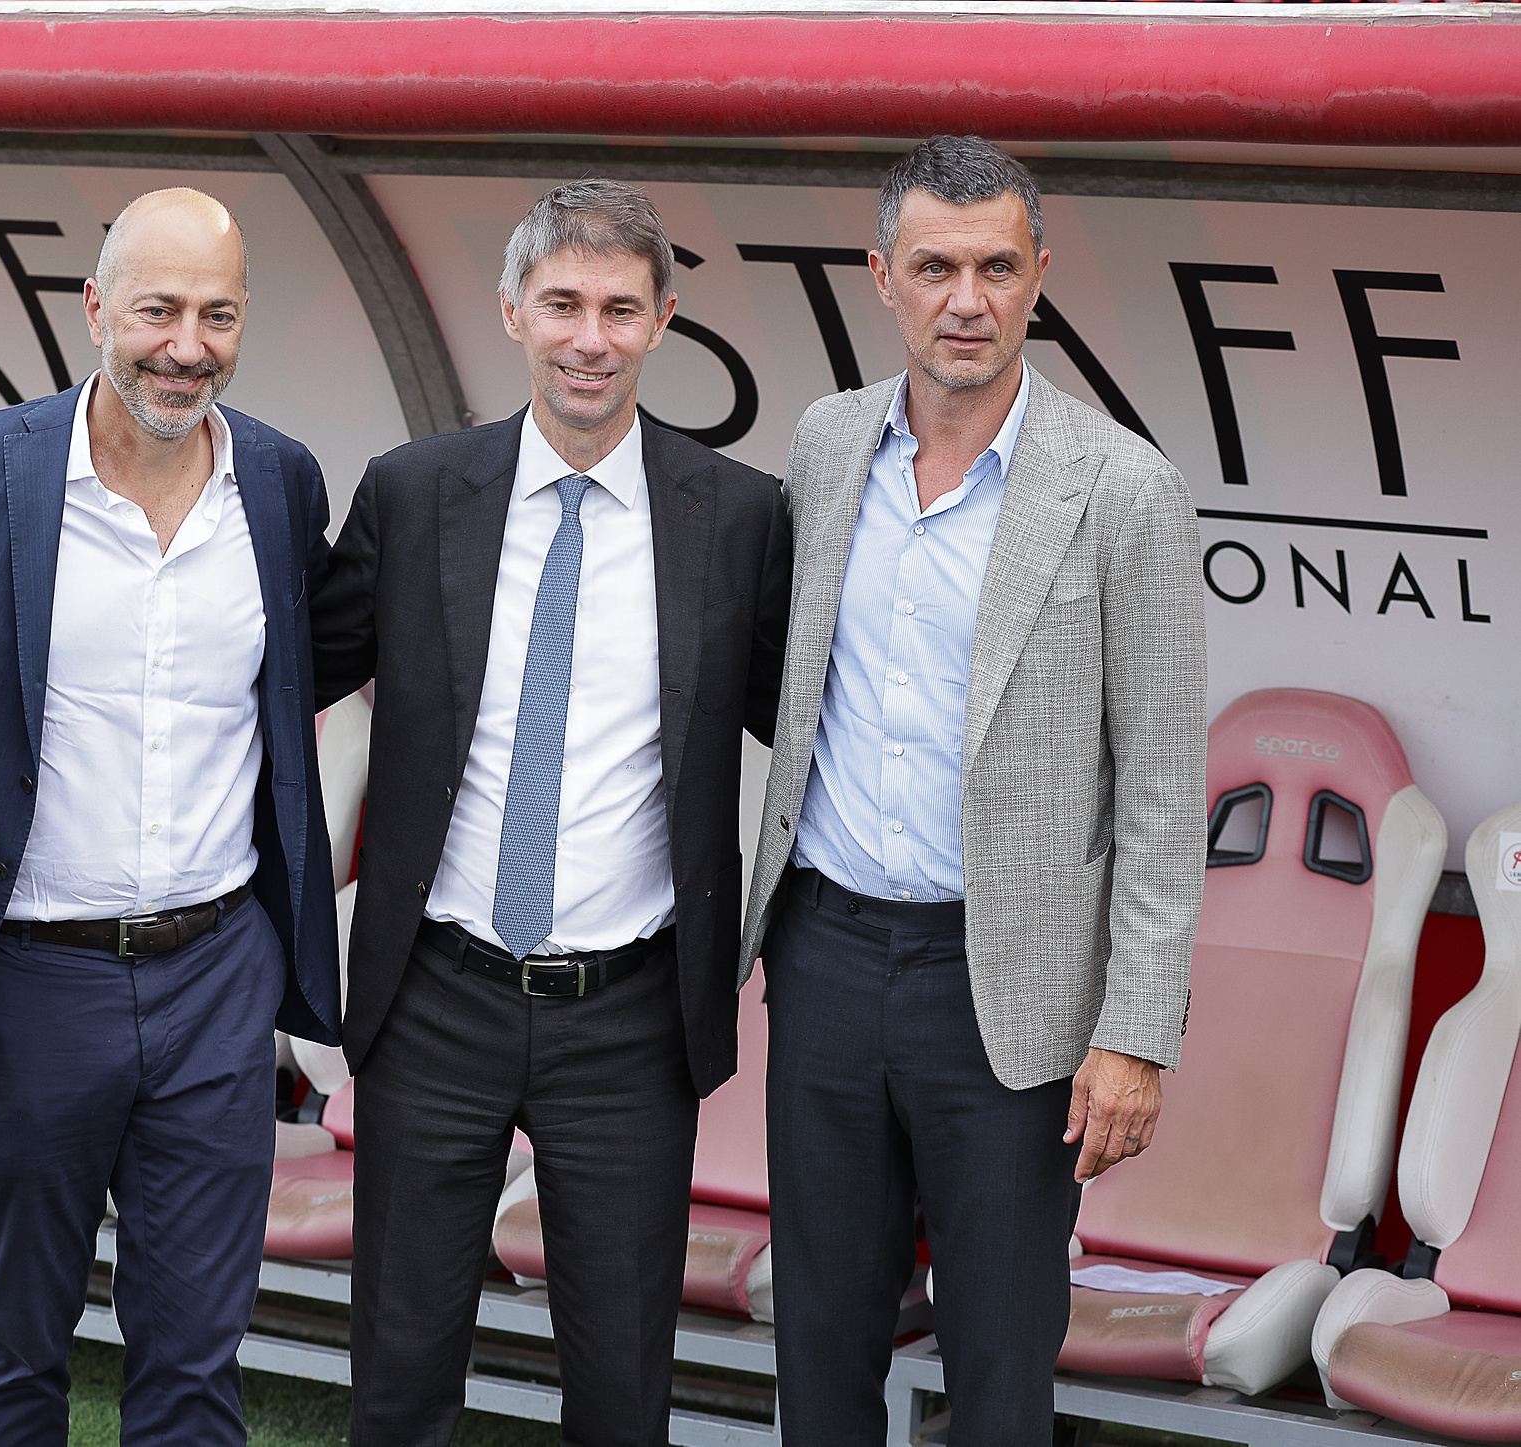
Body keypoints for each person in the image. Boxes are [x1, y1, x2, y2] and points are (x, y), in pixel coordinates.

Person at [741, 134, 1207, 1446]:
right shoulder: (826, 446)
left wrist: (1134, 1033)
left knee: (999, 1362)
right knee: (819, 1339)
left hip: (1006, 988)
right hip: (823, 955)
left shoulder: (1120, 487)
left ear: (1038, 275)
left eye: (996, 266)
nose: (966, 298)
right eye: (935, 266)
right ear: (879, 275)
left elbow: (1165, 789)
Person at [312, 179, 791, 1447]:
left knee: (623, 1385)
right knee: (401, 1369)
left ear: (663, 320)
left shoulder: (735, 517)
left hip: (630, 1012)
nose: (590, 336)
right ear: (513, 309)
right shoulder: (414, 494)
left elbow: (803, 730)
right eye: (564, 303)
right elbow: (286, 676)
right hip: (435, 994)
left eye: (620, 309)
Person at [0, 187, 339, 1447]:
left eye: (216, 314)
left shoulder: (277, 482)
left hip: (217, 981)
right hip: (28, 983)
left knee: (194, 1363)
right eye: (158, 308)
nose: (186, 344)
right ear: (96, 307)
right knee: (12, 1351)